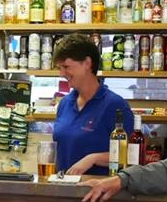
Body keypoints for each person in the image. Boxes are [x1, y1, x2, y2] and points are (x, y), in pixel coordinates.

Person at [52, 33, 133, 175]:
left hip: (98, 193)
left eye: (66, 66)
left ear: (87, 64)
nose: (61, 73)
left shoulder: (115, 106)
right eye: (60, 68)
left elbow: (129, 157)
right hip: (65, 191)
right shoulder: (64, 104)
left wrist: (93, 158)